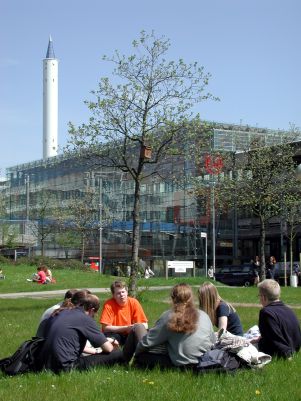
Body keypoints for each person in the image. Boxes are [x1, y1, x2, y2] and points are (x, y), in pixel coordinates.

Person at [123, 283, 216, 369]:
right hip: (203, 363)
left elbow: (147, 342)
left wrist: (137, 355)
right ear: (191, 298)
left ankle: (123, 363)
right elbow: (213, 341)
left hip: (180, 364)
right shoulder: (204, 315)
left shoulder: (169, 316)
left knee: (138, 329)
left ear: (172, 298)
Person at [37, 293, 124, 373]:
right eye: (94, 314)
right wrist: (111, 341)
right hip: (65, 367)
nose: (93, 317)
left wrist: (104, 341)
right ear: (92, 310)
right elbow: (108, 349)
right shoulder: (85, 319)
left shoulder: (59, 312)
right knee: (117, 353)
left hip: (43, 363)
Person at [254, 279, 301, 358]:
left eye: (259, 295)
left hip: (280, 353)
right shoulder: (288, 309)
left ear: (264, 297)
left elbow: (274, 340)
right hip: (295, 348)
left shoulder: (266, 312)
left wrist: (287, 354)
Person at [99, 280, 148, 345]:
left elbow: (145, 324)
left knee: (147, 333)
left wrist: (135, 327)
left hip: (130, 333)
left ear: (127, 292)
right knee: (109, 338)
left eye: (123, 292)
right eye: (118, 293)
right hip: (114, 333)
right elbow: (105, 328)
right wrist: (125, 328)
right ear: (113, 295)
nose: (122, 295)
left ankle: (143, 351)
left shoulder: (134, 302)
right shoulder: (108, 304)